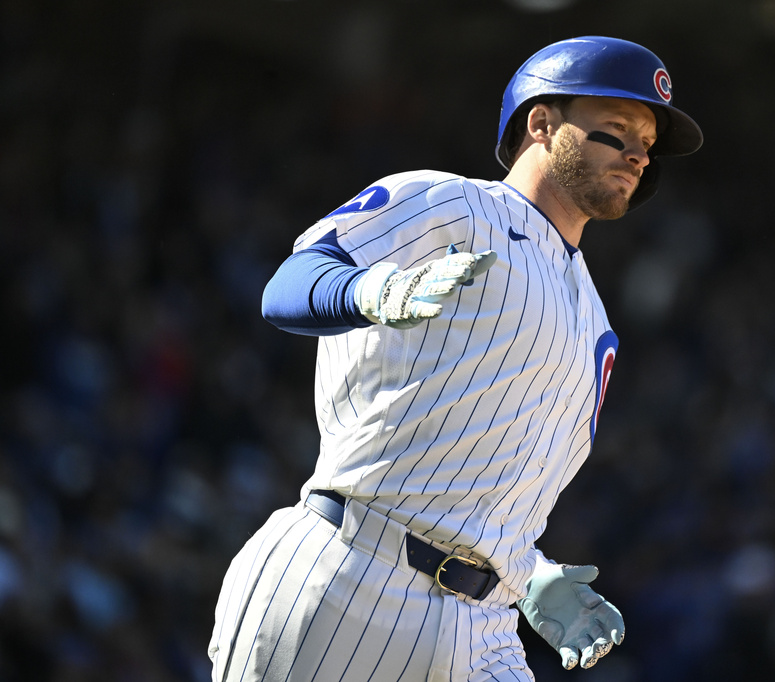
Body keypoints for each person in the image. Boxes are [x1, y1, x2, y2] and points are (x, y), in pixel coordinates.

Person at [208, 35, 702, 682]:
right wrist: (375, 290)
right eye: (617, 129)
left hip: (486, 626)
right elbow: (288, 288)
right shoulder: (454, 205)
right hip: (353, 574)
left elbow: (488, 470)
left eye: (647, 142)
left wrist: (527, 573)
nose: (639, 152)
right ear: (541, 123)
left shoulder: (596, 324)